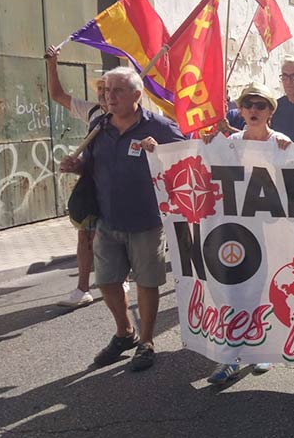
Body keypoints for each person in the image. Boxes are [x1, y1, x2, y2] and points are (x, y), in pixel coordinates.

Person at [59, 66, 185, 371]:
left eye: (117, 90)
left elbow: (185, 158)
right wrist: (76, 166)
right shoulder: (99, 125)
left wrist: (159, 153)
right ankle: (124, 331)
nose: (108, 96)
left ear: (136, 95)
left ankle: (146, 341)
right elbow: (91, 167)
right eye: (106, 90)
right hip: (107, 219)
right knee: (107, 281)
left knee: (146, 282)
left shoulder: (160, 126)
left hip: (146, 220)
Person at [203, 83, 290, 384]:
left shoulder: (281, 142)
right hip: (235, 233)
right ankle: (229, 358)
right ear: (239, 110)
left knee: (264, 291)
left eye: (261, 105)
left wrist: (293, 155)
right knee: (233, 292)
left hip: (271, 234)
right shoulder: (229, 143)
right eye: (248, 104)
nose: (254, 109)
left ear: (270, 112)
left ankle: (261, 348)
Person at [46, 45, 110, 308]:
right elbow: (58, 95)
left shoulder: (132, 117)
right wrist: (52, 64)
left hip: (120, 187)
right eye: (102, 90)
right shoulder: (93, 111)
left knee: (114, 236)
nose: (105, 95)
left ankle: (120, 275)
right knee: (86, 234)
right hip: (93, 184)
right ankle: (83, 288)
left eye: (110, 89)